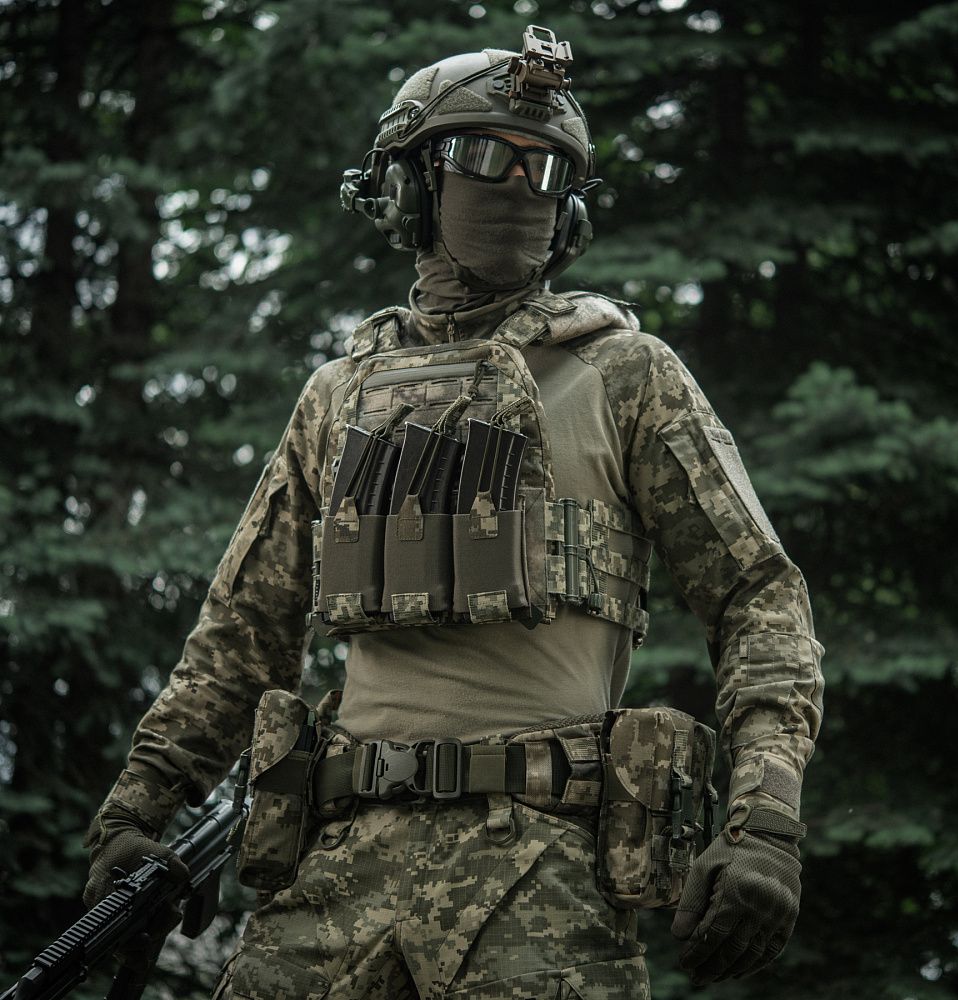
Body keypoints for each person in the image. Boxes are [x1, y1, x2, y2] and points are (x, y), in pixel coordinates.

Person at [84, 26, 823, 998]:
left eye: (546, 168)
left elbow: (758, 599)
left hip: (543, 880)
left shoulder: (626, 375)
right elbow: (240, 637)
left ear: (569, 214)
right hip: (332, 876)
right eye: (483, 154)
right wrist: (135, 812)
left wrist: (764, 820)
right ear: (409, 186)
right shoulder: (336, 396)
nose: (518, 184)